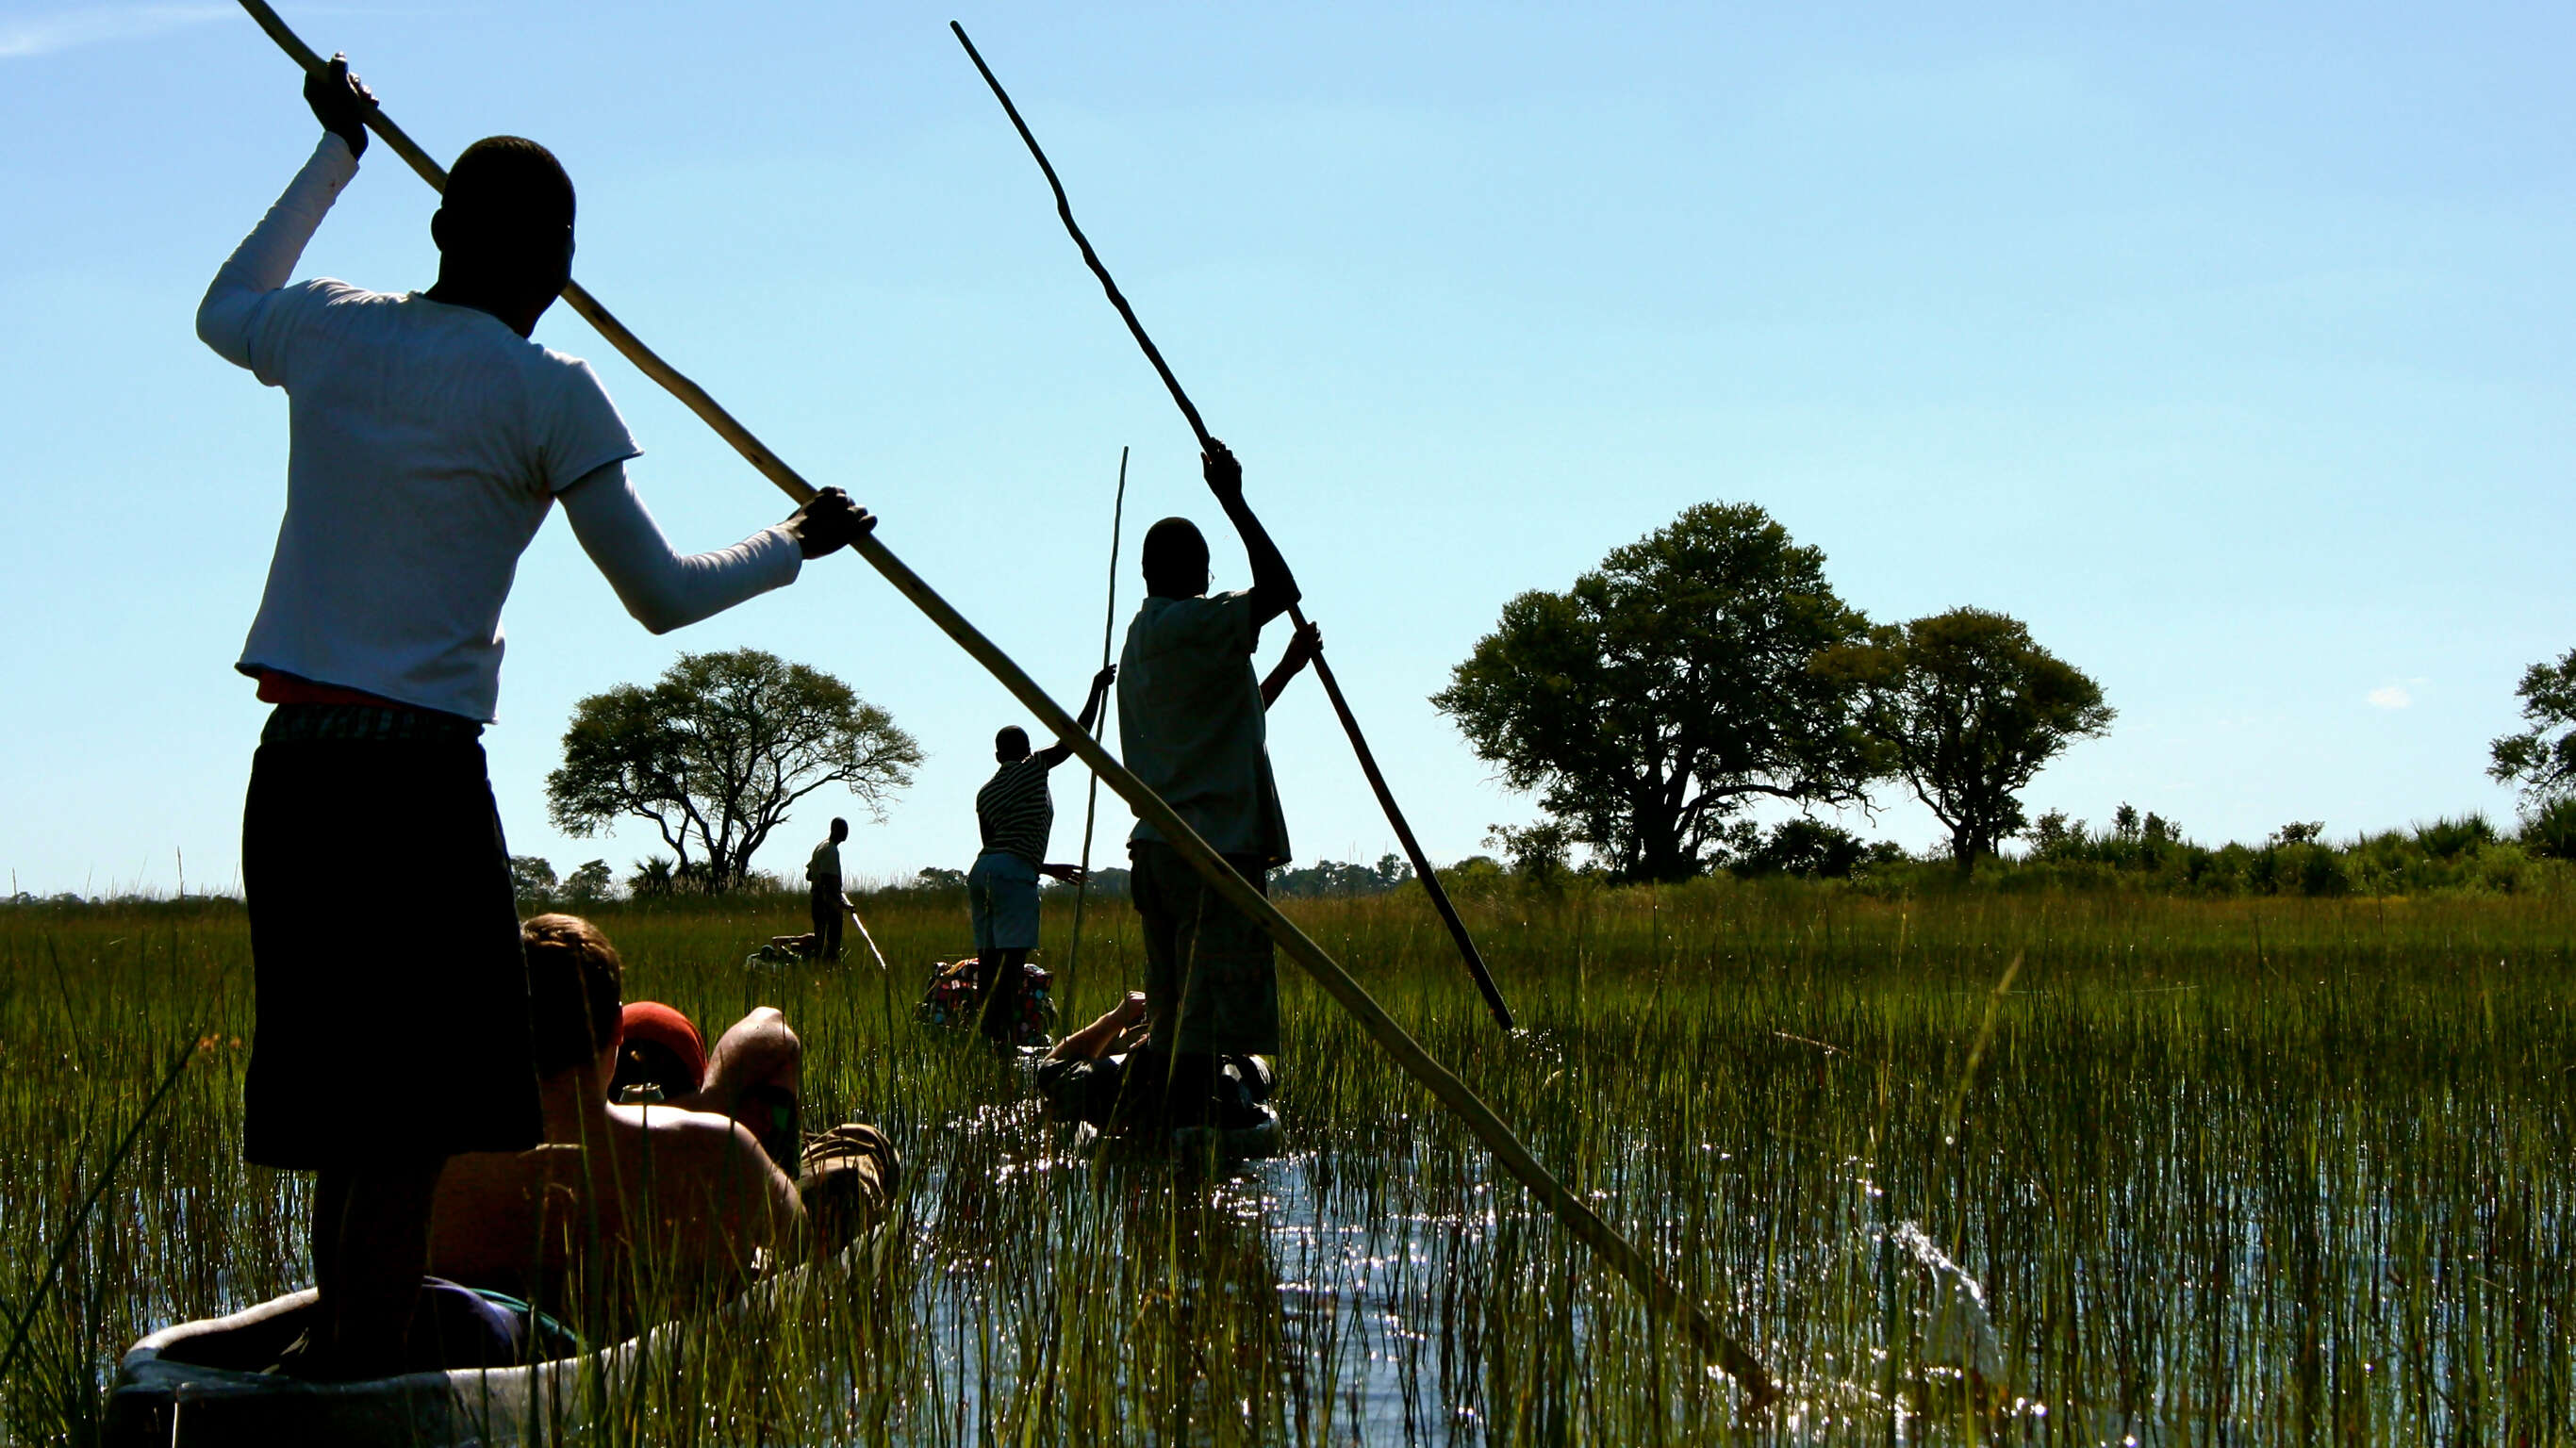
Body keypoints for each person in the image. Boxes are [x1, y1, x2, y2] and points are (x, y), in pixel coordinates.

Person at [198, 58, 873, 1377]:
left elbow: (226, 306)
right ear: (556, 264)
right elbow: (665, 597)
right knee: (408, 1129)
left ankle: (349, 1359)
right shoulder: (551, 388)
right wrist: (794, 542)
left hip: (293, 773)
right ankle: (363, 1386)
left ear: (441, 227)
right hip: (414, 779)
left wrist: (333, 158)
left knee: (352, 1125)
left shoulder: (331, 325)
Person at [429, 916, 900, 1336]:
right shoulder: (711, 1149)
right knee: (859, 1147)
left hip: (522, 1352)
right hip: (693, 1333)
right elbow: (804, 1251)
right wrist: (707, 1103)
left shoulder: (431, 1174)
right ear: (618, 1028)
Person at [1115, 441, 1301, 1127]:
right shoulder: (1190, 621)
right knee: (1201, 1022)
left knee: (1175, 1016)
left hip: (1159, 851)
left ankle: (1167, 1134)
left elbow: (1224, 729)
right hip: (1209, 853)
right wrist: (1233, 498)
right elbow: (1281, 589)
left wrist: (1284, 669)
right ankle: (1186, 1145)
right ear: (1197, 574)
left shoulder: (1143, 641)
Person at [966, 666, 1116, 1048]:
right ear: (1027, 750)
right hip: (1013, 874)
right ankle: (1004, 1041)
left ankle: (987, 1036)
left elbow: (994, 844)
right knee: (1012, 964)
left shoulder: (985, 793)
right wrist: (1095, 690)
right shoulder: (1033, 769)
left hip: (982, 872)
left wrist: (1048, 867)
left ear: (997, 754)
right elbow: (1073, 739)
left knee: (988, 962)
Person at [1035, 992, 1271, 1131]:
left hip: (1150, 1079)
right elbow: (1262, 1070)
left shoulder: (1109, 1082)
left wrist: (1113, 1020)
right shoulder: (1239, 1074)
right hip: (1206, 1079)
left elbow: (1049, 1066)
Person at [805, 818, 850, 961]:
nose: (846, 833)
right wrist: (839, 902)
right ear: (834, 829)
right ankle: (829, 967)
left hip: (816, 899)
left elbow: (809, 874)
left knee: (820, 936)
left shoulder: (820, 847)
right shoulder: (831, 850)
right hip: (827, 902)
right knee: (832, 938)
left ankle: (817, 964)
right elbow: (827, 880)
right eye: (843, 829)